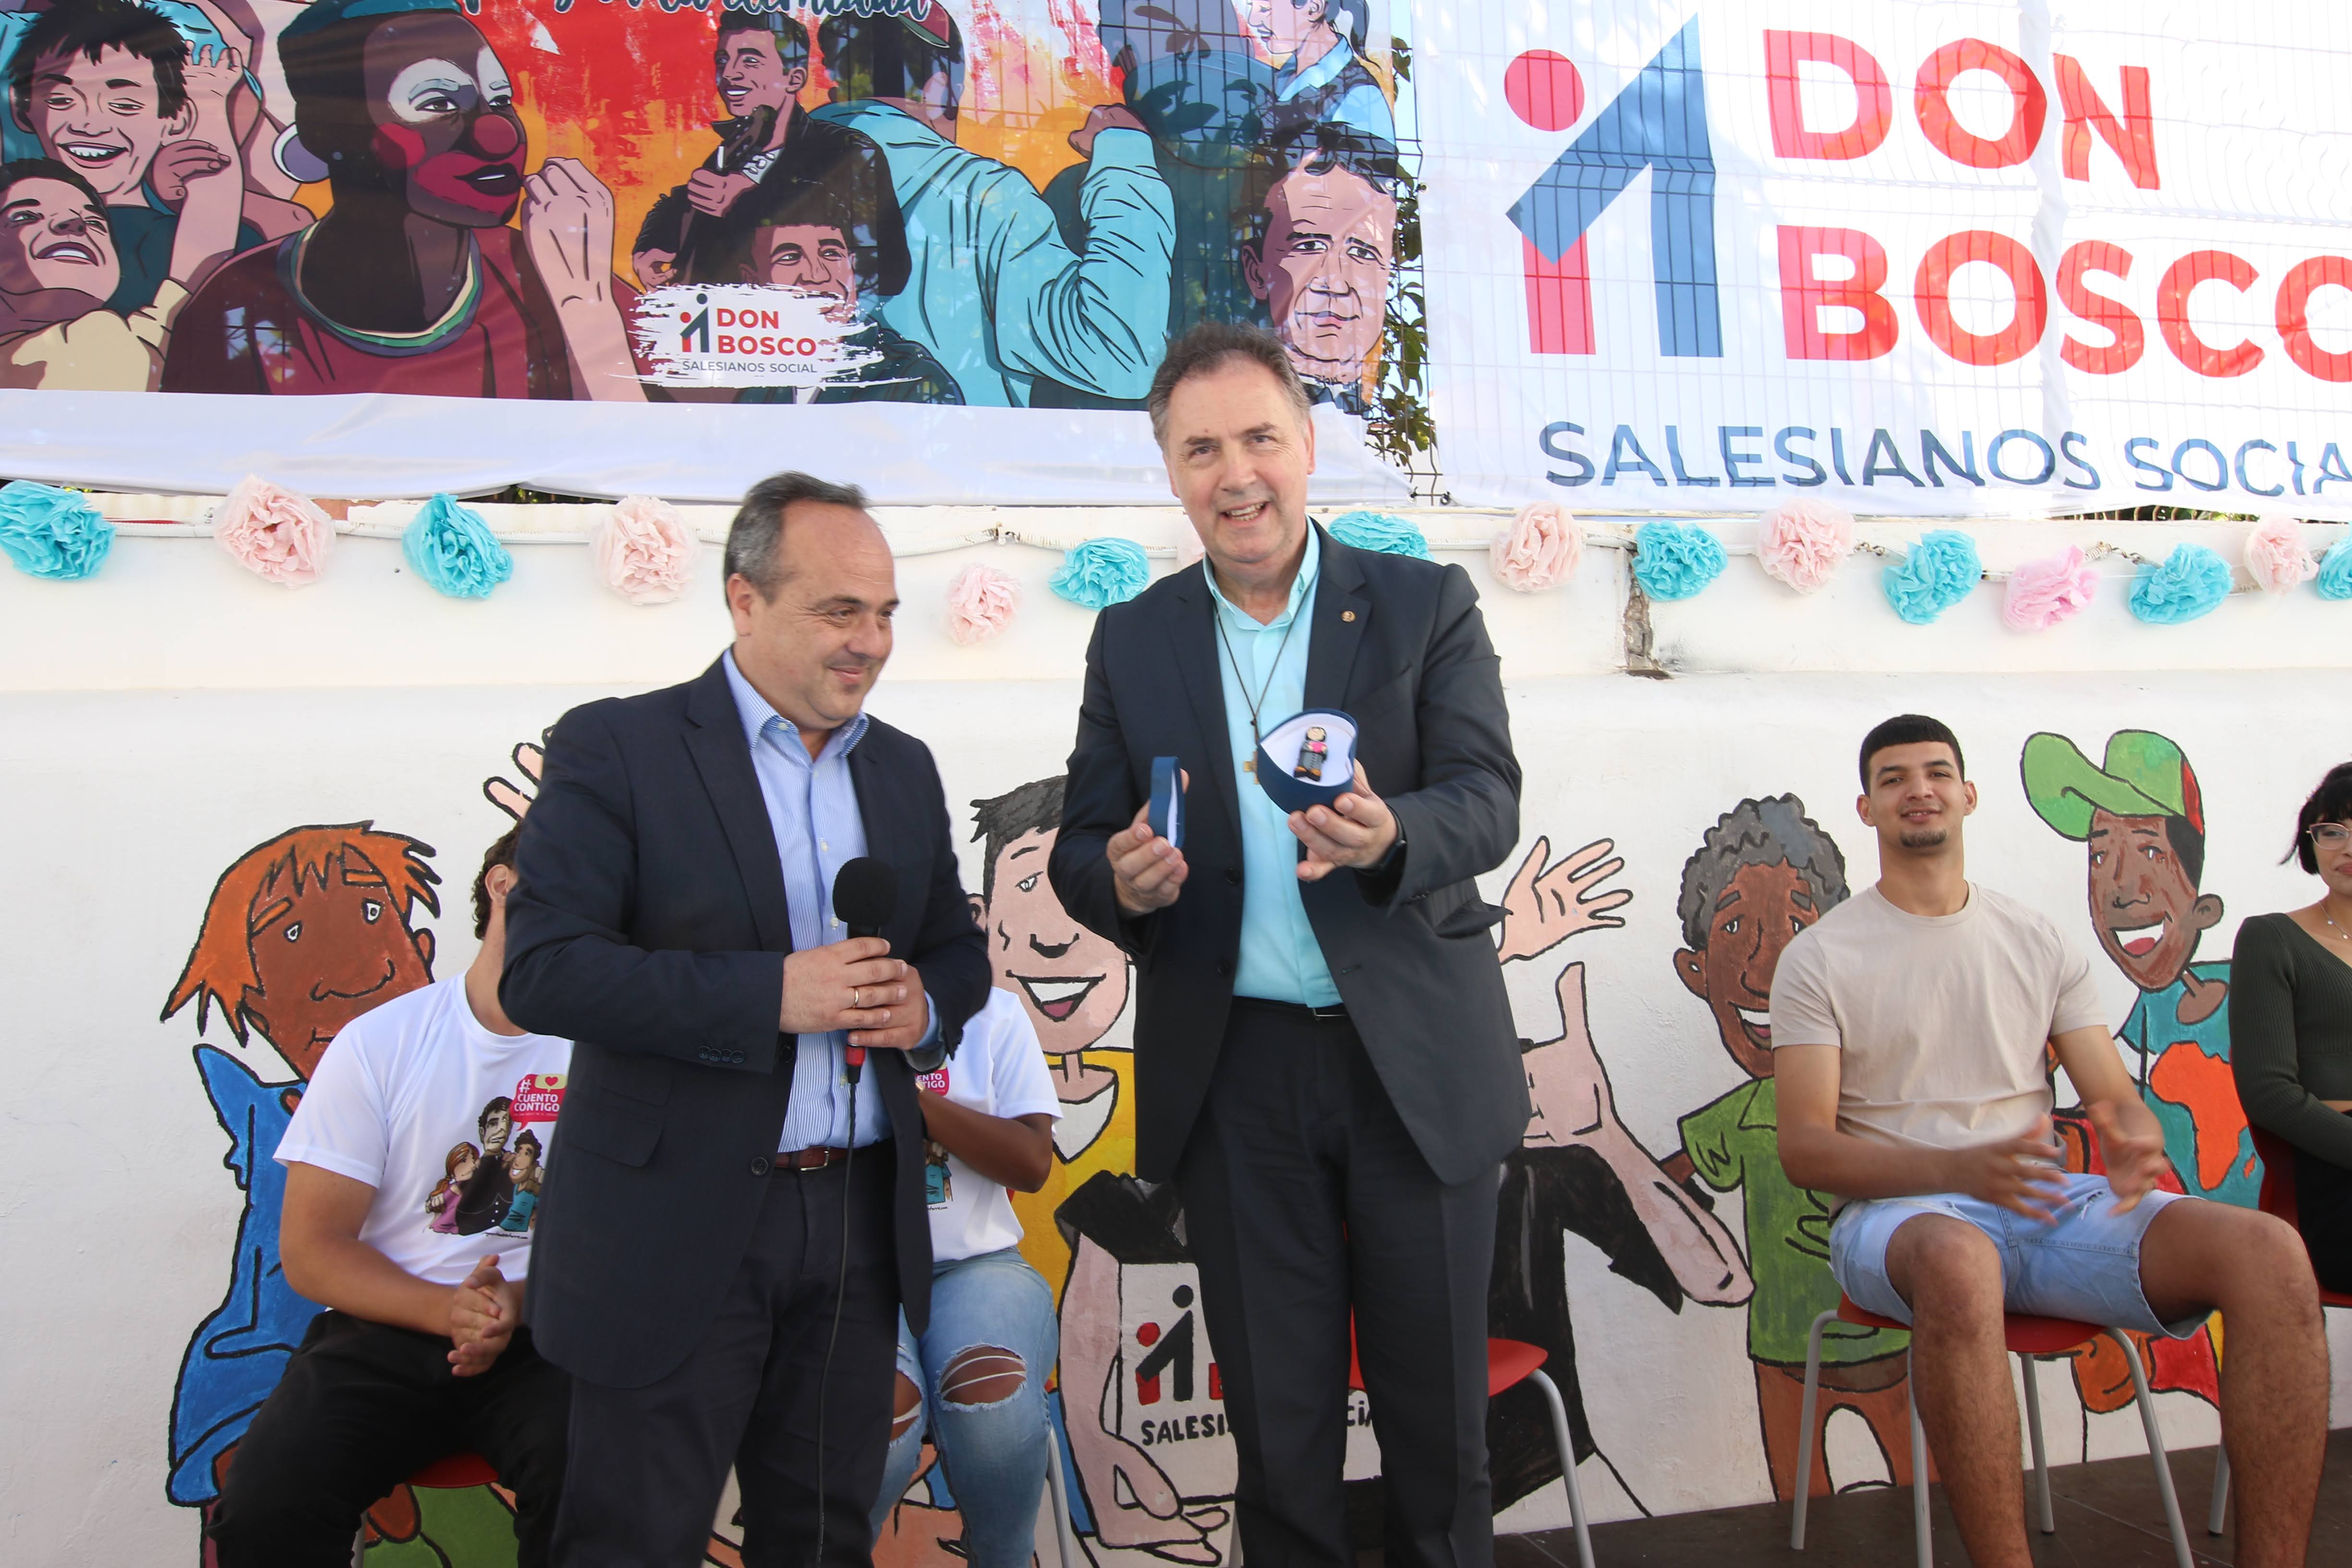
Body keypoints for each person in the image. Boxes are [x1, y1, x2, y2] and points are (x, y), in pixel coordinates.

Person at [1049, 322, 1527, 1568]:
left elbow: (1486, 798)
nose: (1236, 474)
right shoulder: (1132, 638)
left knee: (1440, 1440)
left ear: (1308, 445)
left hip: (1411, 1067)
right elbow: (1079, 845)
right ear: (1170, 471)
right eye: (1201, 449)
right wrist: (1119, 878)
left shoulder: (1422, 605)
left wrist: (1393, 834)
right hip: (1237, 1079)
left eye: (1259, 438)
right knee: (1277, 1435)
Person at [500, 470, 990, 1567]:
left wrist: (924, 1005)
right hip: (669, 1227)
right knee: (631, 1542)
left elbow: (957, 953)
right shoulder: (617, 747)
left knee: (819, 1539)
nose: (870, 642)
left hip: (857, 1220)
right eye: (838, 611)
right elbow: (546, 970)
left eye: (884, 613)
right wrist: (772, 994)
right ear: (743, 599)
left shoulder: (902, 767)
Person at [1772, 714, 2328, 1568]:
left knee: (2269, 1252)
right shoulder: (1819, 957)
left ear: (1967, 795)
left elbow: (2111, 1097)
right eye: (1893, 778)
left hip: (2042, 1204)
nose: (1918, 789)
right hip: (1895, 1218)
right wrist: (1957, 1167)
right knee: (1958, 1261)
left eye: (1935, 773)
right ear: (1866, 808)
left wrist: (2132, 1137)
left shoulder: (2034, 938)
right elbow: (1806, 1152)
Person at [208, 828, 573, 1567]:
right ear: (502, 884)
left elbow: (640, 1246)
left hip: (553, 1334)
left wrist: (516, 1304)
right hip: (387, 1328)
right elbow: (313, 1251)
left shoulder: (620, 1056)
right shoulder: (382, 1042)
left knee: (600, 1506)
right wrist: (448, 1311)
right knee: (265, 1510)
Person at [158, 0, 644, 400]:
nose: (497, 136)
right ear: (328, 130)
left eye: (499, 101)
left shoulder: (560, 278)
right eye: (438, 104)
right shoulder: (238, 309)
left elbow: (659, 458)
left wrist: (585, 304)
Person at [1661, 796, 1917, 1500]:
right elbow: (1665, 1182)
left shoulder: (1869, 1089)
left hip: (1883, 1336)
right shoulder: (1741, 1114)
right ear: (1693, 970)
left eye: (1798, 926)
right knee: (1798, 1499)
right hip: (1783, 1346)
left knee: (1920, 1485)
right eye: (1734, 927)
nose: (1764, 968)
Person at [809, 5, 1173, 407]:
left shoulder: (768, 176)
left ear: (836, 89)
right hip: (952, 444)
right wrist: (1124, 160)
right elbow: (1118, 356)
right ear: (940, 91)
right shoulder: (986, 196)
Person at [870, 986, 1062, 1568]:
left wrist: (911, 1102)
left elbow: (1032, 1162)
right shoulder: (818, 1010)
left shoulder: (991, 1011)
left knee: (989, 1390)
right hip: (852, 1271)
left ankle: (1002, 1557)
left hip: (977, 1265)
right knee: (880, 1409)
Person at [2023, 730, 2252, 1205]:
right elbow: (2102, 1121)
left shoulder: (2259, 992)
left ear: (2204, 906)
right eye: (2100, 856)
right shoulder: (2136, 1033)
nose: (2122, 888)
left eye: (2150, 852)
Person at [5, 0, 259, 313]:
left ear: (177, 119)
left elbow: (192, 310)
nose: (89, 126)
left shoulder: (218, 238)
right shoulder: (12, 232)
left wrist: (213, 121)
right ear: (22, 107)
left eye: (125, 105)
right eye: (61, 100)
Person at [642, 8, 901, 292]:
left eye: (751, 61)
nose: (729, 74)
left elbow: (887, 268)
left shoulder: (848, 151)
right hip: (719, 317)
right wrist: (653, 243)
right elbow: (681, 201)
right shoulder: (734, 149)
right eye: (723, 60)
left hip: (801, 318)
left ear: (795, 79)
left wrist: (746, 200)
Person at [2232, 761, 2352, 1293]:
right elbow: (2270, 1094)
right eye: (2332, 830)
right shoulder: (2272, 939)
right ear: (2312, 842)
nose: (2347, 846)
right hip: (2336, 1172)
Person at [731, 172, 959, 405]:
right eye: (790, 257)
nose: (818, 275)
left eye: (831, 253)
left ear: (851, 265)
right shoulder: (761, 385)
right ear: (752, 281)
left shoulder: (911, 378)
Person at [0, 154, 225, 388]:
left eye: (94, 222)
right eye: (26, 216)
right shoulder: (114, 339)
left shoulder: (134, 340)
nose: (74, 222)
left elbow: (198, 265)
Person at [1241, 125, 1399, 418]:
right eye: (1310, 246)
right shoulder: (1237, 409)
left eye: (1363, 253)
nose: (1336, 284)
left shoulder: (1371, 423)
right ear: (1257, 272)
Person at [1239, 0, 1392, 147]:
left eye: (1265, 10)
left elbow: (1375, 160)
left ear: (1314, 8)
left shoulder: (1360, 93)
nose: (1253, 21)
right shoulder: (1279, 78)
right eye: (1251, 6)